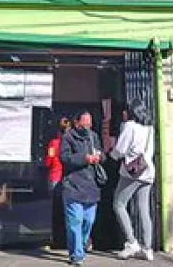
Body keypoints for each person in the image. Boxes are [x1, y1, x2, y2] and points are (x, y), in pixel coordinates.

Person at [108, 101, 156, 261]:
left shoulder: (129, 126)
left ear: (130, 112)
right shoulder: (149, 128)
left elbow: (120, 150)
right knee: (144, 210)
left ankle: (131, 242)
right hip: (147, 171)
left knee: (118, 204)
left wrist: (111, 155)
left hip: (132, 172)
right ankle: (148, 248)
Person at [60, 111, 104, 265]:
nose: (87, 126)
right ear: (77, 123)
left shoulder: (94, 137)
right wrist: (85, 158)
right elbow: (64, 157)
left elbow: (102, 155)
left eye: (89, 123)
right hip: (73, 185)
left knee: (88, 221)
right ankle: (77, 255)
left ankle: (81, 245)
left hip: (91, 187)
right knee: (75, 221)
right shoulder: (68, 137)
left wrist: (99, 157)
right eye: (84, 123)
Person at [44, 117, 71, 250]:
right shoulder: (72, 143)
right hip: (69, 179)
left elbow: (48, 161)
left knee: (56, 210)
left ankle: (57, 239)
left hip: (55, 177)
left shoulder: (53, 144)